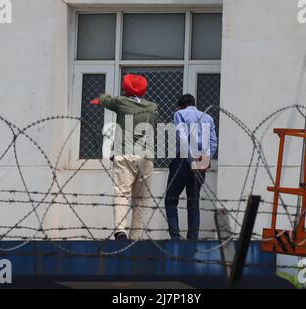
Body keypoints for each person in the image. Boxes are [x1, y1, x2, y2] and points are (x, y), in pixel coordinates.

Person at [91, 74, 158, 241]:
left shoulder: (121, 102)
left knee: (121, 193)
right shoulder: (153, 107)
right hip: (146, 156)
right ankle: (137, 235)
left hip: (124, 153)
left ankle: (120, 230)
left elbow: (103, 100)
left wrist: (104, 95)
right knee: (141, 198)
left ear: (126, 88)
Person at [164, 94, 218, 240]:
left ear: (180, 106)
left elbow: (181, 137)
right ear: (194, 103)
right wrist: (205, 160)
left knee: (171, 199)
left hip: (182, 161)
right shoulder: (208, 118)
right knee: (193, 201)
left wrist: (191, 158)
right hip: (202, 161)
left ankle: (175, 238)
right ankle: (192, 239)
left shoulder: (179, 114)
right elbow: (213, 142)